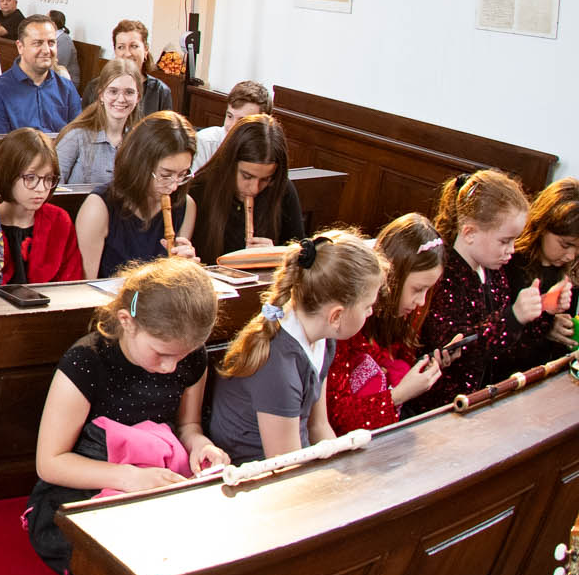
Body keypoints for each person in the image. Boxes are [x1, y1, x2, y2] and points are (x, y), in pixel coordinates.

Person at [25, 259, 226, 575]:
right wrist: (131, 478)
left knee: (206, 556)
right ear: (126, 321)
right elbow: (50, 463)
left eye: (184, 355)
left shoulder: (191, 359)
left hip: (156, 482)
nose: (171, 367)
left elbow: (188, 426)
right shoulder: (87, 362)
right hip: (83, 490)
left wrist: (202, 445)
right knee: (133, 567)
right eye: (161, 353)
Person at [211, 231, 380, 462]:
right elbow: (287, 465)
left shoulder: (322, 338)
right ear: (336, 315)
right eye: (367, 306)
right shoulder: (277, 366)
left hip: (299, 458)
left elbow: (319, 426)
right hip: (264, 471)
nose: (370, 312)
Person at [408, 170, 567, 413]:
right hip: (440, 408)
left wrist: (543, 311)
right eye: (504, 241)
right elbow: (461, 351)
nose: (511, 250)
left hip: (480, 402)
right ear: (470, 232)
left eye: (514, 240)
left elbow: (507, 351)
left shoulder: (495, 273)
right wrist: (514, 317)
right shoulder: (444, 275)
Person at [326, 215, 448, 432]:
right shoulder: (348, 323)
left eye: (427, 290)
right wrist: (399, 395)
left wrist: (425, 368)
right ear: (393, 277)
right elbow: (337, 417)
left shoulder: (399, 316)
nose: (421, 301)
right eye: (418, 289)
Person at [73, 111, 198, 278]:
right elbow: (85, 287)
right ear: (139, 164)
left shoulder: (186, 206)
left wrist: (185, 270)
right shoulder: (97, 208)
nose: (174, 186)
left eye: (182, 175)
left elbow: (174, 284)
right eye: (165, 175)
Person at [185, 114, 303, 262]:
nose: (254, 189)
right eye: (247, 176)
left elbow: (299, 255)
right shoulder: (197, 190)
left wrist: (277, 255)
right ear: (229, 164)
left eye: (265, 179)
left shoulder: (282, 188)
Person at [0, 127, 83, 285]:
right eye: (30, 177)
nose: (41, 188)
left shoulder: (59, 220)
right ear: (8, 174)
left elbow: (71, 282)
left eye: (48, 179)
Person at [510, 179, 579, 354]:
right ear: (542, 225)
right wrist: (545, 328)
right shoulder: (509, 262)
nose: (571, 256)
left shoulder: (570, 269)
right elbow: (499, 333)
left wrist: (564, 328)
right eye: (565, 244)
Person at [0, 15, 82, 135]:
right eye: (38, 43)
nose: (46, 50)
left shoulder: (67, 88)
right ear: (20, 47)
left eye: (51, 43)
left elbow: (77, 137)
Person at [54, 57, 143, 187]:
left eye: (129, 92)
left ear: (138, 97)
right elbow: (53, 188)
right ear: (101, 95)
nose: (121, 99)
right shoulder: (75, 136)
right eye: (113, 91)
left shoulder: (139, 143)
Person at [83, 19, 173, 118]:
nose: (127, 54)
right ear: (115, 51)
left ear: (146, 50)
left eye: (134, 46)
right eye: (121, 47)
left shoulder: (160, 91)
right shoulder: (94, 87)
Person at [191, 80, 271, 172]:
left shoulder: (268, 150)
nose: (232, 126)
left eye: (242, 121)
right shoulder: (205, 142)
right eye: (229, 116)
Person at [49, 10, 76, 76]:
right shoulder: (50, 37)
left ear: (53, 24)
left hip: (65, 78)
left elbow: (59, 65)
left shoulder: (64, 40)